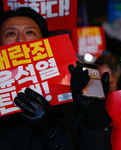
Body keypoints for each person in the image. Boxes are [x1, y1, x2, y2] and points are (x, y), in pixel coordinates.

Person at [0, 7, 112, 150]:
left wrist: (93, 119)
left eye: (30, 32)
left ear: (45, 44)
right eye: (10, 33)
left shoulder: (72, 95)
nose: (21, 40)